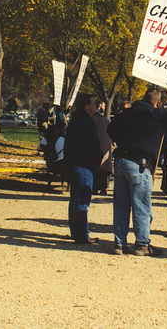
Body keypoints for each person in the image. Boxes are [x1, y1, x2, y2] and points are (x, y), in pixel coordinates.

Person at [107, 85, 167, 256]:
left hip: (121, 161)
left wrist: (123, 141)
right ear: (158, 104)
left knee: (121, 206)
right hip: (140, 165)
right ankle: (142, 244)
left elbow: (110, 129)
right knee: (141, 206)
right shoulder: (157, 114)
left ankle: (119, 244)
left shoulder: (127, 113)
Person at [64, 93, 103, 244]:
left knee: (75, 199)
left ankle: (75, 230)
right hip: (84, 165)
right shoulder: (85, 122)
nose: (95, 107)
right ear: (87, 106)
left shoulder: (75, 120)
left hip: (74, 164)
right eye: (93, 104)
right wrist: (96, 160)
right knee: (82, 201)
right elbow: (91, 146)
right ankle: (82, 234)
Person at [92, 99, 113, 195]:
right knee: (104, 168)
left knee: (96, 167)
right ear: (99, 106)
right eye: (103, 106)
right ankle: (103, 188)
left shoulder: (93, 118)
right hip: (104, 145)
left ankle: (95, 187)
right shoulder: (103, 120)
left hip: (96, 145)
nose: (104, 108)